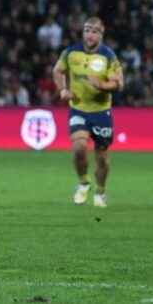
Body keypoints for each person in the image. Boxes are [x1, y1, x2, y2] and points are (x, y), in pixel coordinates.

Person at [52, 17, 123, 208]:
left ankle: (100, 191)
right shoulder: (71, 53)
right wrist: (63, 90)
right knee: (79, 148)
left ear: (101, 34)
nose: (90, 34)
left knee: (102, 159)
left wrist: (101, 84)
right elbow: (57, 71)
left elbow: (119, 84)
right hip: (79, 109)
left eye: (94, 31)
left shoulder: (108, 56)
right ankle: (83, 183)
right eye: (87, 30)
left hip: (101, 112)